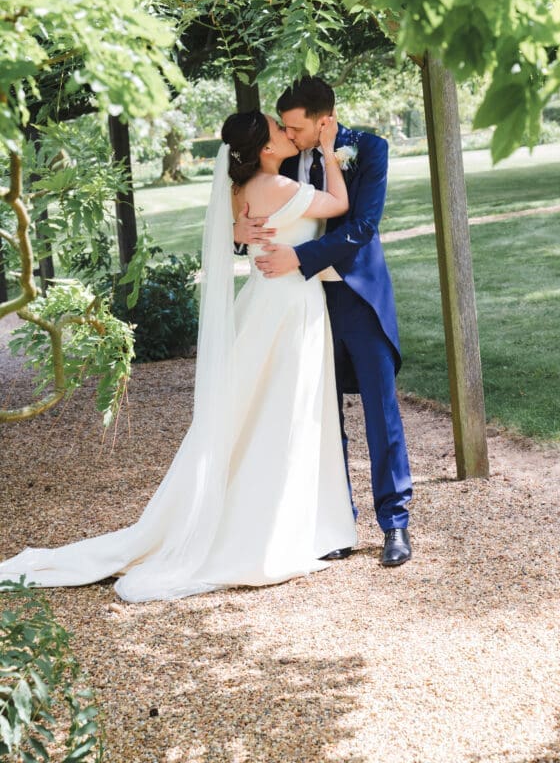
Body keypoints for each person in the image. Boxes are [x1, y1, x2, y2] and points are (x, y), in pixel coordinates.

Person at [0, 111, 356, 602]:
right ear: (267, 149)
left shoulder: (245, 188)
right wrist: (333, 153)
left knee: (255, 411)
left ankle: (285, 514)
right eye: (279, 129)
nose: (286, 132)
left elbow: (239, 229)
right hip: (287, 306)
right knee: (281, 410)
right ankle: (275, 525)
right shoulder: (273, 184)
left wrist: (240, 229)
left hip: (265, 300)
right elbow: (338, 204)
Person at [234, 77, 413, 567]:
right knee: (317, 414)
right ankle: (336, 522)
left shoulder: (370, 149)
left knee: (381, 411)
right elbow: (251, 197)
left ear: (324, 120)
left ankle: (395, 524)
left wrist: (300, 256)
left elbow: (362, 226)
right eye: (286, 129)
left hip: (357, 298)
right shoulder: (284, 155)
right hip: (305, 305)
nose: (290, 137)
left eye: (297, 127)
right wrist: (238, 230)